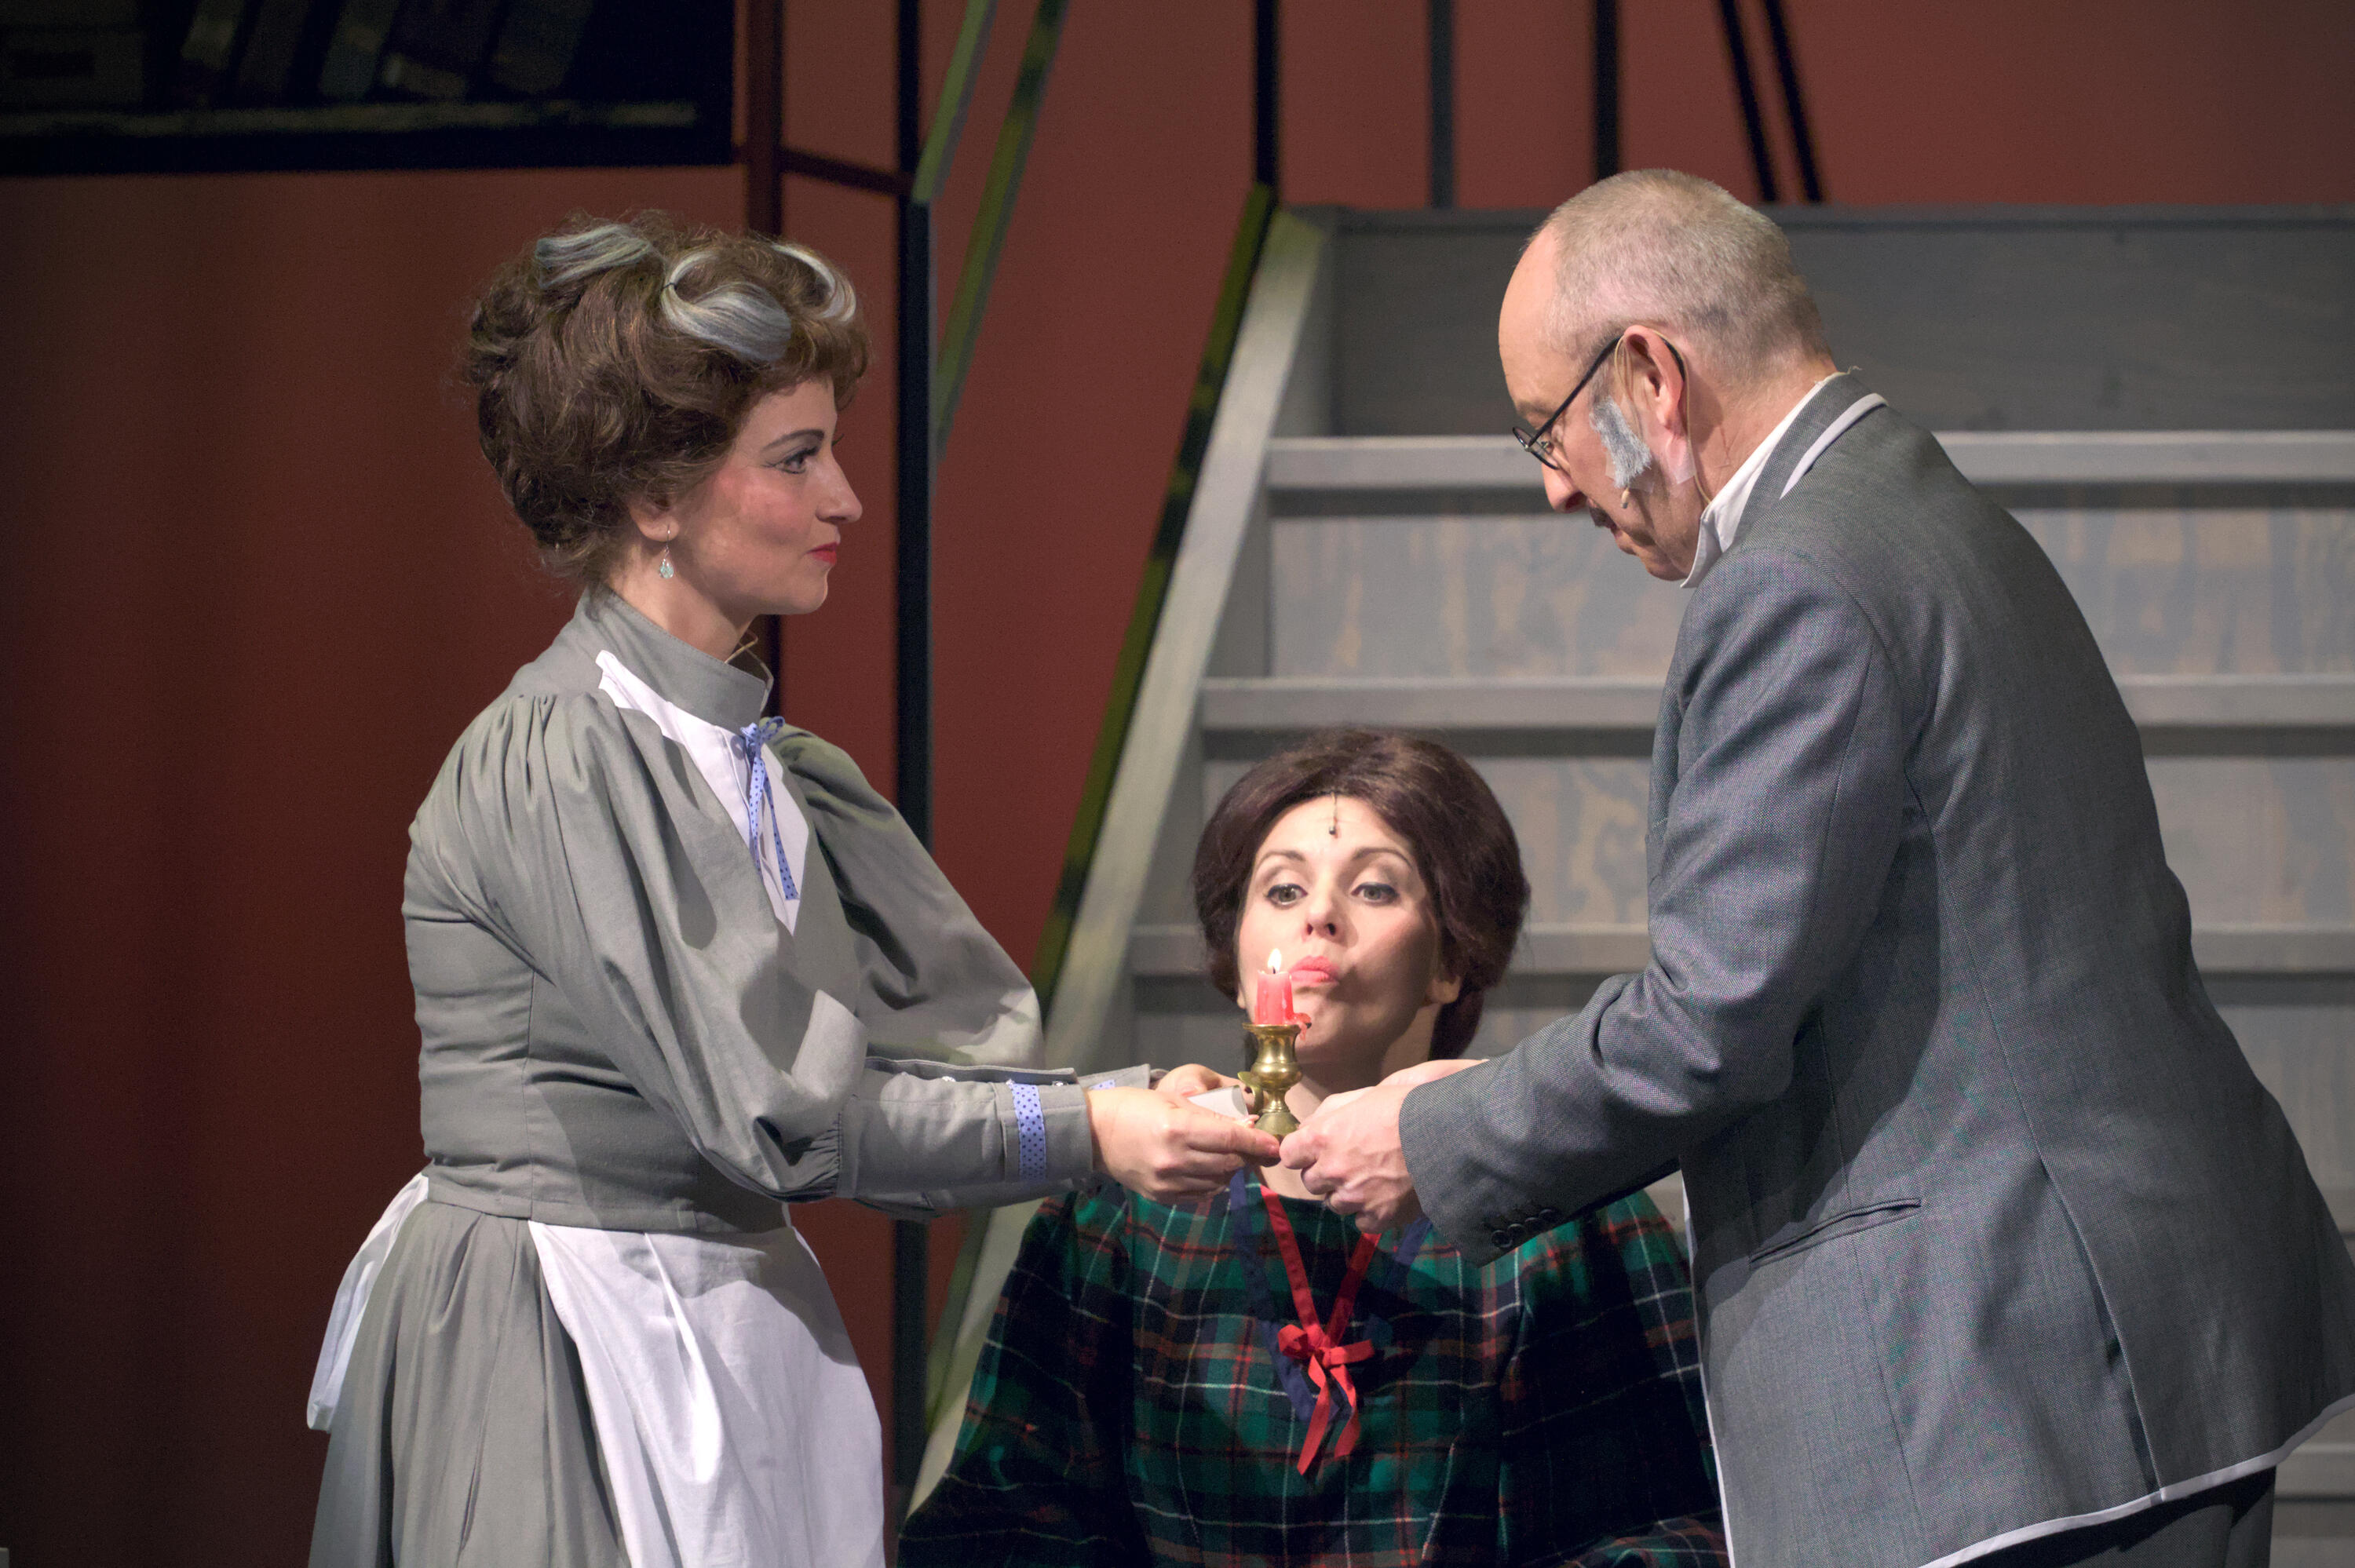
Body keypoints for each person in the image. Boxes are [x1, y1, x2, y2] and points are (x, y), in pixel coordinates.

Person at [1282, 171, 2355, 1568]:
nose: (1554, 484)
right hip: (2129, 1340)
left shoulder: (1795, 576)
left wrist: (1436, 1131)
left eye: (1550, 428)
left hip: (2018, 1375)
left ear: (1652, 376)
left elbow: (1708, 1024)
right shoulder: (1917, 502)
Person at [304, 212, 1275, 1568]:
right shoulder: (566, 758)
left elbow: (898, 1066)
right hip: (568, 1329)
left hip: (722, 1311)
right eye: (797, 457)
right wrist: (1093, 1129)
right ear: (655, 496)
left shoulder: (767, 766)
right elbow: (787, 1113)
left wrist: (1115, 1103)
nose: (847, 500)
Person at [900, 730, 1728, 1567]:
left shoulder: (1559, 1210)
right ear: (1235, 962)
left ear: (1451, 960)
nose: (1319, 916)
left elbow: (1673, 1529)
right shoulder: (1123, 1210)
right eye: (1284, 888)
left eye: (1374, 888)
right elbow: (1002, 1518)